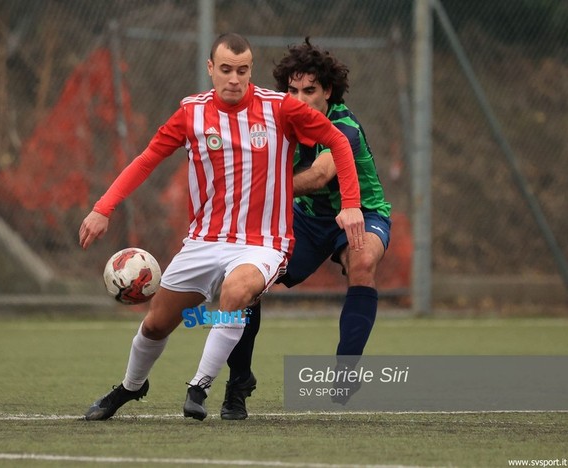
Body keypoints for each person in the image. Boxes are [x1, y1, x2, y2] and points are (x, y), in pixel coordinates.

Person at [78, 33, 364, 421]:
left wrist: (350, 206)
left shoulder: (280, 109)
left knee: (235, 294)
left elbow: (339, 142)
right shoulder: (191, 113)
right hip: (204, 241)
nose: (234, 78)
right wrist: (103, 208)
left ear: (251, 71)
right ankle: (131, 387)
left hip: (263, 243)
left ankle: (200, 386)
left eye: (242, 70)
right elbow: (147, 159)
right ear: (210, 68)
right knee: (157, 324)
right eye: (226, 69)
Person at [221, 38, 392, 420]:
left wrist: (261, 185)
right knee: (248, 282)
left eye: (310, 90)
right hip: (306, 219)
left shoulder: (343, 125)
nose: (300, 98)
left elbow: (318, 175)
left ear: (327, 91)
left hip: (361, 212)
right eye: (293, 90)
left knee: (362, 260)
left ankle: (346, 370)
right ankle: (239, 381)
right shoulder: (280, 121)